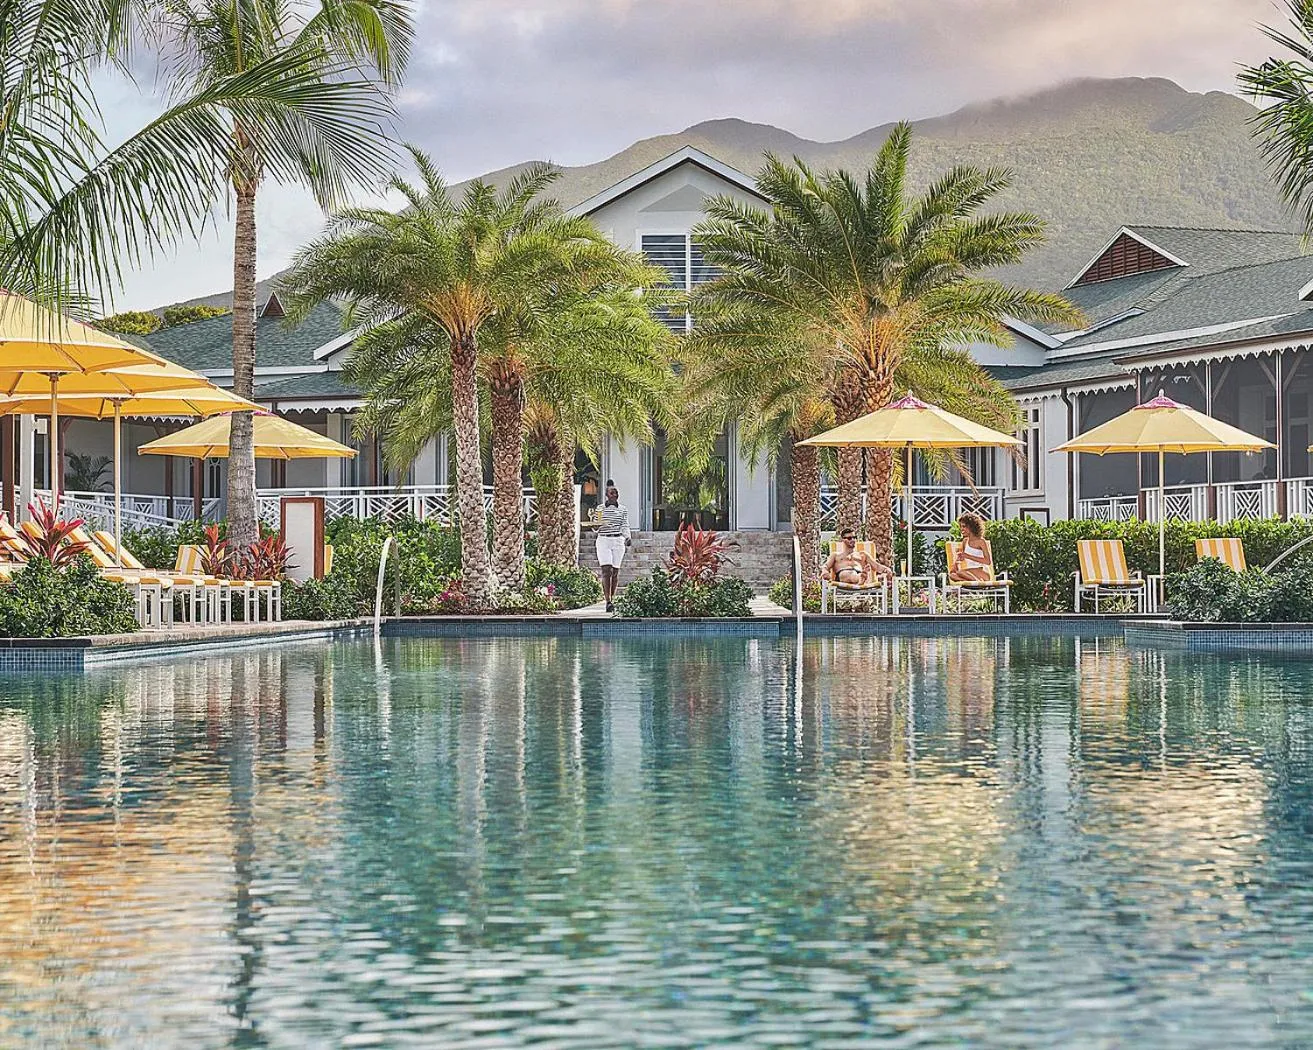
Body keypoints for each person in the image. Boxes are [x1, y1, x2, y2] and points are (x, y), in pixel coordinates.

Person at [595, 484, 631, 612]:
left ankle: (613, 598)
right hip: (604, 540)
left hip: (617, 540)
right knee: (606, 570)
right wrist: (595, 526)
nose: (614, 495)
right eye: (612, 493)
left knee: (615, 572)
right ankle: (607, 601)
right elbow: (596, 525)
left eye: (616, 493)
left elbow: (624, 525)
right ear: (606, 495)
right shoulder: (600, 509)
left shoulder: (622, 509)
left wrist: (627, 537)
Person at [823, 528, 888, 587]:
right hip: (843, 575)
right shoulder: (835, 555)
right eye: (849, 538)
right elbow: (826, 566)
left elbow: (877, 566)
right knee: (846, 574)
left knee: (858, 574)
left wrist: (886, 570)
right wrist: (825, 572)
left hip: (859, 573)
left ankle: (860, 579)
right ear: (843, 540)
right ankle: (860, 579)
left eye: (854, 537)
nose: (853, 540)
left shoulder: (863, 554)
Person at [949, 513, 993, 582]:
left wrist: (968, 556)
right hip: (969, 573)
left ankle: (976, 582)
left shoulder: (981, 541)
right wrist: (956, 564)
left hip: (982, 571)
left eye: (964, 526)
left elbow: (988, 561)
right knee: (952, 575)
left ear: (972, 527)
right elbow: (962, 558)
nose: (961, 529)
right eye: (960, 526)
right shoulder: (965, 541)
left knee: (960, 572)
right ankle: (975, 581)